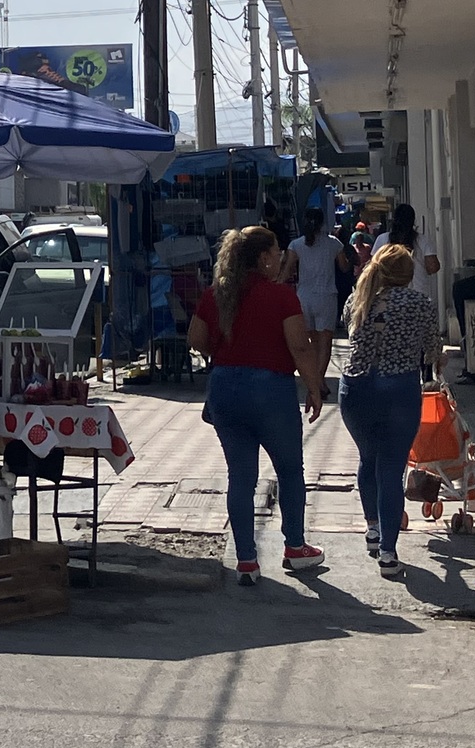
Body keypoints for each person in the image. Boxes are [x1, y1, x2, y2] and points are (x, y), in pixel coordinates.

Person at [188, 225, 328, 584]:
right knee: (290, 470)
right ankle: (295, 548)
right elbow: (299, 346)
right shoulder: (281, 297)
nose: (281, 255)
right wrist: (314, 387)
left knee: (241, 477)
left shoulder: (216, 295)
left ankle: (246, 561)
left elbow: (196, 338)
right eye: (277, 250)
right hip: (271, 393)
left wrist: (226, 353)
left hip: (225, 389)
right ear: (264, 257)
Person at [339, 244, 442, 580]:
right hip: (399, 390)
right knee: (391, 468)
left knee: (368, 459)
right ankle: (388, 551)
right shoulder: (420, 304)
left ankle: (372, 529)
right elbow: (431, 351)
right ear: (409, 274)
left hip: (355, 391)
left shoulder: (358, 299)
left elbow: (348, 330)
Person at [283, 208, 352, 395]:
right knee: (325, 342)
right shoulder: (334, 244)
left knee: (312, 342)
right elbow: (344, 266)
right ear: (323, 223)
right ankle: (319, 381)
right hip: (327, 296)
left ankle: (315, 382)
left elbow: (288, 270)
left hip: (303, 296)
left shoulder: (296, 244)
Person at [372, 204, 440, 289]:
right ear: (413, 221)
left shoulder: (382, 239)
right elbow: (433, 267)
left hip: (387, 293)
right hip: (417, 291)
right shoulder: (422, 240)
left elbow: (373, 266)